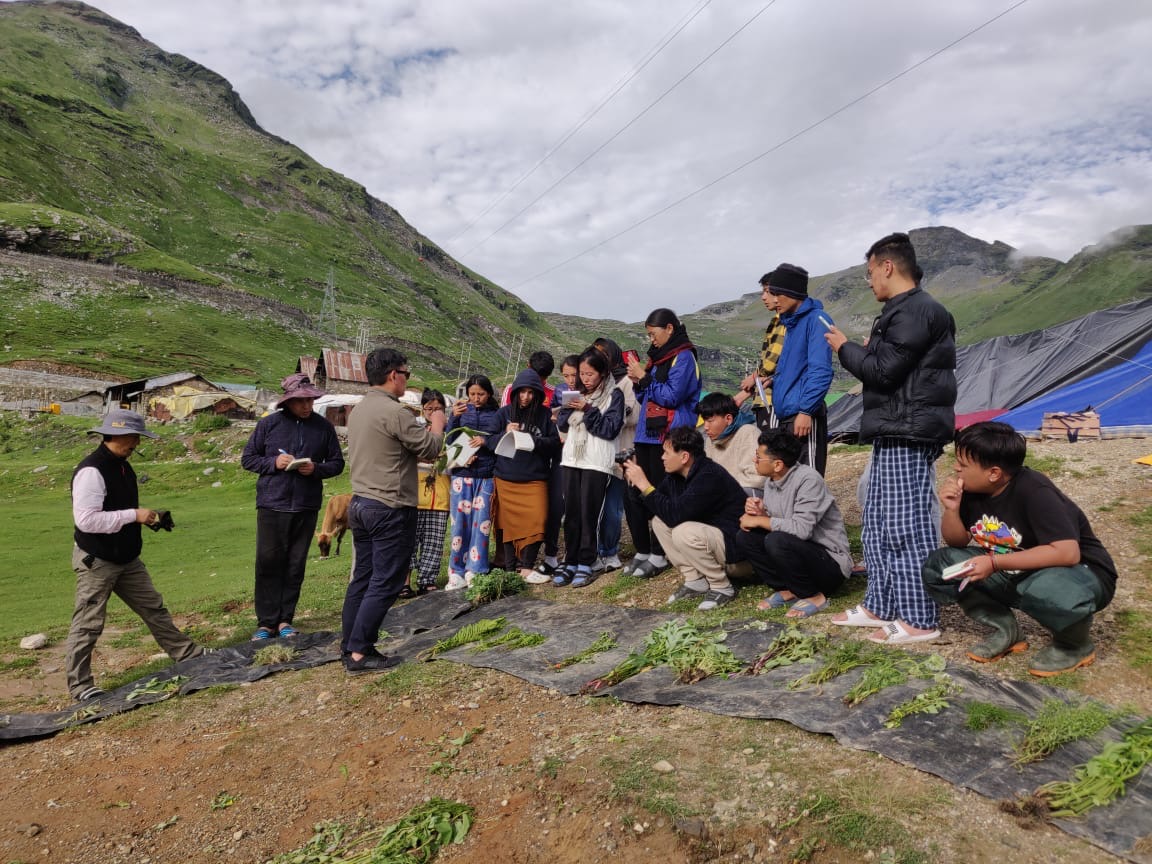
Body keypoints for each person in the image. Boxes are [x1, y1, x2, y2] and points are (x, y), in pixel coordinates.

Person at [825, 232, 957, 644]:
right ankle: (880, 605)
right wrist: (868, 351)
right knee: (879, 522)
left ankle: (919, 618)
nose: (869, 281)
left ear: (887, 266)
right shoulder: (904, 312)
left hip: (909, 429)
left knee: (906, 525)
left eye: (869, 272)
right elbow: (891, 366)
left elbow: (881, 372)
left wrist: (844, 347)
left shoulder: (917, 310)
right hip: (894, 427)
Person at [921, 422, 1116, 676]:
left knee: (1045, 588)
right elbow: (957, 542)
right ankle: (1007, 631)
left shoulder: (1036, 491)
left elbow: (1067, 553)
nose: (956, 468)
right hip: (1014, 568)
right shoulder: (973, 489)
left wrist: (993, 564)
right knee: (941, 566)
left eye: (963, 464)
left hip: (1082, 574)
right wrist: (952, 509)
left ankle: (1074, 645)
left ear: (994, 473)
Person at [66, 409, 208, 701]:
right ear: (117, 435)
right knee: (89, 622)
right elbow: (87, 521)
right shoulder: (92, 471)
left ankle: (188, 654)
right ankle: (80, 686)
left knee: (153, 608)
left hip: (127, 557)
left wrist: (150, 518)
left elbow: (118, 512)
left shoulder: (122, 465)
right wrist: (135, 515)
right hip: (98, 560)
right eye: (134, 438)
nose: (136, 444)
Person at [341, 348, 445, 673]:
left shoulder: (359, 410)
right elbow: (431, 447)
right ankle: (360, 651)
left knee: (363, 577)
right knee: (386, 580)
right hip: (390, 506)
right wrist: (437, 423)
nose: (406, 379)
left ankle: (349, 645)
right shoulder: (395, 412)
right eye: (406, 373)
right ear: (393, 375)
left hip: (360, 503)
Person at [241, 373, 344, 640]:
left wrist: (315, 469)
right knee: (268, 562)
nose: (307, 406)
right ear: (288, 401)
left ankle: (286, 620)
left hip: (305, 506)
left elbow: (337, 463)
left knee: (295, 564)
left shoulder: (323, 427)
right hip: (272, 505)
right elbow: (249, 459)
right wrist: (273, 464)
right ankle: (265, 623)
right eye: (301, 401)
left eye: (310, 400)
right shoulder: (269, 425)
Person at [623, 426, 746, 610]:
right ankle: (695, 580)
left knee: (682, 530)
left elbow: (676, 515)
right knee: (659, 521)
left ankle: (721, 586)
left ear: (684, 457)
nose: (662, 457)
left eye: (666, 452)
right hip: (716, 545)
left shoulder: (708, 476)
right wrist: (635, 483)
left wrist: (645, 484)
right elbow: (654, 509)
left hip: (738, 556)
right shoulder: (677, 476)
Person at [735, 429, 852, 619]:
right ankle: (788, 589)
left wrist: (760, 520)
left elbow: (801, 529)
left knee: (776, 540)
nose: (754, 461)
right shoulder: (772, 481)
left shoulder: (808, 479)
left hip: (830, 564)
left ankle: (814, 596)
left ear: (778, 464)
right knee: (746, 537)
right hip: (800, 553)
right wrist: (761, 513)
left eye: (758, 457)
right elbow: (780, 521)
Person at [623, 308, 702, 578]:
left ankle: (660, 553)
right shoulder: (657, 359)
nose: (651, 340)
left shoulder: (685, 357)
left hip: (669, 436)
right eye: (648, 335)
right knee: (634, 493)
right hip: (646, 435)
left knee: (659, 494)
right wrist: (638, 380)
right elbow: (647, 397)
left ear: (669, 328)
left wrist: (645, 378)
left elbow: (672, 396)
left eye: (653, 334)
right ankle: (643, 550)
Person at [554, 347, 625, 587]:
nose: (584, 379)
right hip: (572, 458)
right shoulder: (576, 393)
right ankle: (570, 560)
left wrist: (588, 410)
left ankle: (587, 561)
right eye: (581, 374)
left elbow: (609, 429)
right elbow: (563, 424)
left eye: (590, 374)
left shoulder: (614, 395)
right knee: (571, 513)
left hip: (596, 461)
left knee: (589, 514)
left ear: (603, 373)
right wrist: (569, 407)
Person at [760, 263, 834, 474]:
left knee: (808, 479)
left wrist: (806, 410)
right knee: (790, 480)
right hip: (787, 416)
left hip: (802, 415)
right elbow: (795, 367)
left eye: (776, 294)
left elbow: (820, 370)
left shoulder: (816, 320)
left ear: (791, 292)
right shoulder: (791, 324)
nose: (773, 300)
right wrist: (775, 380)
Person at [488, 368, 560, 578]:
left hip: (535, 479)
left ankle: (527, 565)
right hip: (506, 478)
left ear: (537, 393)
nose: (526, 397)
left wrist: (532, 441)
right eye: (522, 392)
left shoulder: (545, 415)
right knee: (509, 526)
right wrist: (505, 434)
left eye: (531, 392)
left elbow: (554, 443)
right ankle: (511, 568)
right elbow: (489, 441)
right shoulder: (503, 413)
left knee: (538, 520)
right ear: (515, 391)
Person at [445, 374, 502, 590]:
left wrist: (486, 441)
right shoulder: (461, 412)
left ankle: (475, 570)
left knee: (482, 524)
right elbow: (449, 441)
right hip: (461, 474)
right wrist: (453, 417)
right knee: (459, 524)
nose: (476, 398)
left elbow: (500, 442)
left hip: (486, 476)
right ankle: (456, 571)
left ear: (489, 394)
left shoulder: (496, 415)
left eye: (481, 394)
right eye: (472, 394)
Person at [592, 337, 637, 575]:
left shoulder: (627, 381)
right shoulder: (595, 383)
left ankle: (609, 551)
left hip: (620, 451)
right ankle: (592, 552)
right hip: (597, 453)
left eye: (604, 353)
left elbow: (634, 416)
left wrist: (612, 413)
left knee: (612, 507)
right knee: (594, 505)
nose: (600, 358)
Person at [405, 388, 451, 597]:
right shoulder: (414, 429)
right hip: (414, 494)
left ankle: (427, 580)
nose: (433, 412)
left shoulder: (451, 432)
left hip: (440, 495)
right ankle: (404, 581)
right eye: (429, 408)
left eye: (438, 408)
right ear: (422, 409)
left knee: (434, 541)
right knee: (408, 541)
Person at [735, 273, 785, 430]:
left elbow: (771, 363)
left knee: (771, 449)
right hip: (765, 397)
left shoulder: (783, 322)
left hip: (771, 400)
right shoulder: (777, 320)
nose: (764, 297)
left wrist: (754, 377)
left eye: (767, 292)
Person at [696, 392, 763, 496]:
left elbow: (757, 479)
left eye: (710, 421)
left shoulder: (748, 433)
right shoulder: (711, 439)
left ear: (728, 419)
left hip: (747, 494)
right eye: (704, 421)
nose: (706, 427)